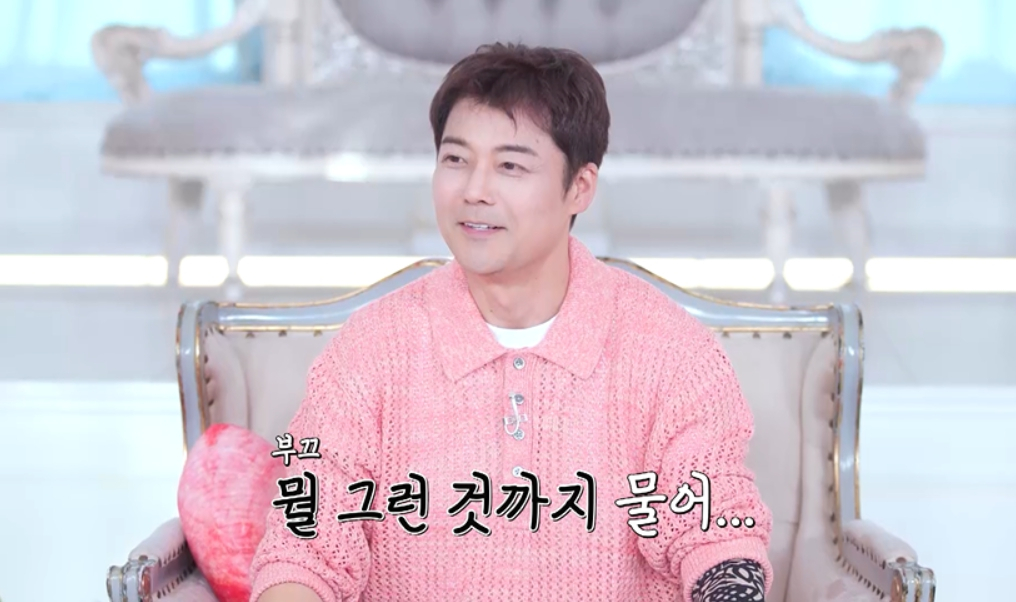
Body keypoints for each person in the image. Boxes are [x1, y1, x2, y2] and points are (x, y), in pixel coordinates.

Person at [250, 43, 772, 602]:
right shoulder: (371, 350)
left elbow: (716, 533)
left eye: (510, 166)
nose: (474, 190)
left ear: (580, 187)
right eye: (456, 160)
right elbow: (306, 547)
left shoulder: (670, 352)